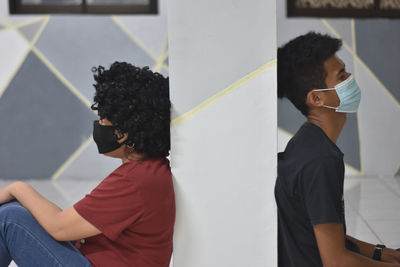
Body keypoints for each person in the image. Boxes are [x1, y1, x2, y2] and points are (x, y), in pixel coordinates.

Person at [0, 62, 175, 267]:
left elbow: (58, 227)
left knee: (10, 219)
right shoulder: (150, 171)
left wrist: (17, 188)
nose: (98, 126)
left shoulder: (136, 181)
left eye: (102, 121)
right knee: (18, 210)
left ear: (122, 134)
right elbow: (69, 223)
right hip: (92, 258)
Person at [275, 32, 400, 267]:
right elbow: (336, 261)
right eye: (341, 77)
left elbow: (324, 234)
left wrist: (380, 253)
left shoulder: (305, 143)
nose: (351, 79)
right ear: (317, 99)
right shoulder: (321, 160)